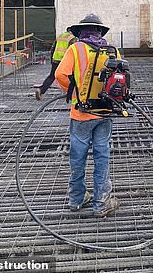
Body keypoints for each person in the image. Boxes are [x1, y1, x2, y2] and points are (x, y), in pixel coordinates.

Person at [55, 14, 120, 217]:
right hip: (104, 112)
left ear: (80, 32)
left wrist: (74, 90)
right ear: (100, 31)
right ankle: (101, 203)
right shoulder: (112, 51)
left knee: (78, 157)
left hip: (81, 113)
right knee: (102, 156)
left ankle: (76, 199)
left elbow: (59, 75)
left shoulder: (76, 49)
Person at [34, 29, 76, 100]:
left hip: (56, 59)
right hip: (64, 60)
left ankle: (41, 90)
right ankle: (72, 93)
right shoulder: (72, 38)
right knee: (71, 76)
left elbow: (53, 48)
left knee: (52, 76)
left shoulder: (60, 36)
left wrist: (52, 59)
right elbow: (72, 50)